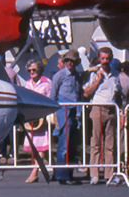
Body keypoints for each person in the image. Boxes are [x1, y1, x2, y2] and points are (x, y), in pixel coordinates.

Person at [82, 47, 120, 185]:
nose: (105, 61)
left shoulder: (115, 74)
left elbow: (118, 93)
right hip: (97, 109)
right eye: (103, 58)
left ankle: (109, 174)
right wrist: (98, 80)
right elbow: (86, 93)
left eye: (107, 58)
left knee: (110, 145)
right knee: (96, 143)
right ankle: (94, 174)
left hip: (111, 109)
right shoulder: (93, 74)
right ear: (99, 59)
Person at [50, 49, 81, 184]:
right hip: (64, 113)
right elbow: (52, 96)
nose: (70, 63)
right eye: (67, 60)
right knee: (64, 145)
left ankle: (66, 173)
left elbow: (79, 94)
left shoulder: (78, 77)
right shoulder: (59, 76)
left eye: (72, 61)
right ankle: (62, 176)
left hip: (74, 114)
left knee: (72, 146)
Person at [20, 60, 52, 184]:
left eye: (34, 70)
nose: (32, 73)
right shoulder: (28, 83)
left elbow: (50, 98)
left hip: (42, 117)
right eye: (29, 71)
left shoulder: (47, 83)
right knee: (38, 147)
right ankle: (54, 167)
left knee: (42, 147)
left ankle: (34, 173)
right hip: (32, 119)